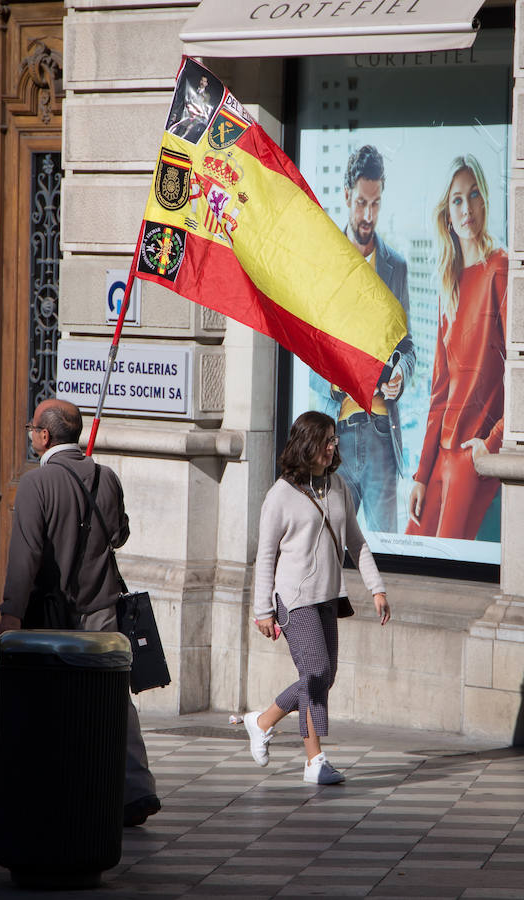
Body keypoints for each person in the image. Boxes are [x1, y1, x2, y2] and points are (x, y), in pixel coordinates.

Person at [0, 398, 160, 827]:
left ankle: (16, 794)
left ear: (44, 436)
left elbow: (25, 556)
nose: (30, 435)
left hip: (50, 616)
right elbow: (120, 535)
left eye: (31, 429)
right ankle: (137, 790)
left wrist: (10, 615)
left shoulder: (37, 484)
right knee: (114, 701)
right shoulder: (106, 476)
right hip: (101, 611)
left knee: (30, 703)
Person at [246, 411, 390, 784]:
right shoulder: (280, 495)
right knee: (316, 673)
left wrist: (377, 588)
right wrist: (263, 609)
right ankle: (314, 762)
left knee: (323, 676)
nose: (332, 447)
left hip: (328, 595)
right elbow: (265, 555)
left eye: (334, 441)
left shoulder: (337, 486)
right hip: (294, 600)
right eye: (326, 441)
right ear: (306, 444)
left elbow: (357, 543)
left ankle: (261, 722)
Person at [406, 155, 507, 539]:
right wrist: (420, 476)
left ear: (485, 202)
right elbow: (438, 394)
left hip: (471, 455)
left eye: (474, 195)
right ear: (447, 214)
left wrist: (491, 443)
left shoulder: (501, 268)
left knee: (446, 563)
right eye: (457, 200)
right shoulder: (448, 286)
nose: (467, 209)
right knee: (411, 549)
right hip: (440, 459)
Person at [331, 145, 416, 533]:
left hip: (384, 434)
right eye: (362, 202)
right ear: (347, 195)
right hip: (337, 435)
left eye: (376, 204)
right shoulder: (327, 261)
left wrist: (400, 372)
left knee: (385, 549)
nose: (368, 215)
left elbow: (408, 347)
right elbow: (301, 344)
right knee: (329, 548)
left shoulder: (396, 266)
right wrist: (330, 375)